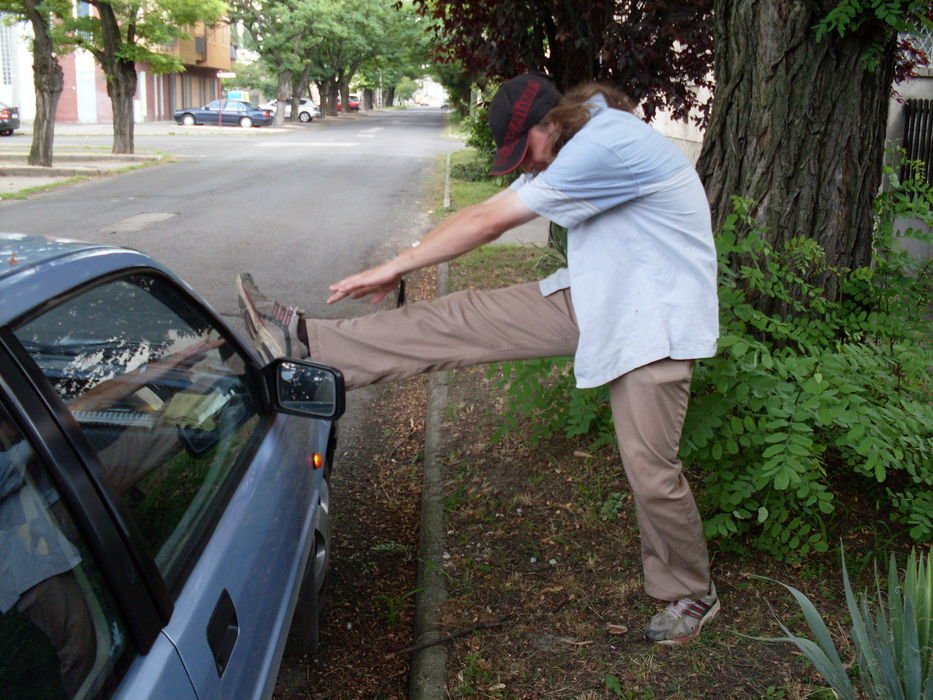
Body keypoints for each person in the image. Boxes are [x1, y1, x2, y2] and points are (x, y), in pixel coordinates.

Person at [237, 73, 721, 644]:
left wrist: (398, 265)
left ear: (552, 122)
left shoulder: (604, 143)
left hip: (655, 321)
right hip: (601, 295)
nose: (526, 166)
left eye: (527, 152)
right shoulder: (587, 132)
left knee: (651, 472)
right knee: (460, 317)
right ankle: (312, 342)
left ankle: (690, 593)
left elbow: (489, 219)